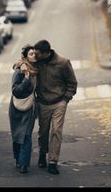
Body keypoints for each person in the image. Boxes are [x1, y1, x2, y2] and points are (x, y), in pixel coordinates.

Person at [34, 39, 77, 175]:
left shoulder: (63, 63)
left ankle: (53, 162)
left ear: (46, 53)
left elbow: (72, 83)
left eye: (37, 54)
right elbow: (21, 62)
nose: (35, 56)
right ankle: (42, 153)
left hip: (59, 102)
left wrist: (66, 99)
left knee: (56, 131)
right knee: (43, 132)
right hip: (42, 102)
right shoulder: (36, 62)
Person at [9, 45, 38, 174]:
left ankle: (23, 164)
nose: (34, 56)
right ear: (26, 56)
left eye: (35, 54)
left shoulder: (37, 70)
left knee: (26, 135)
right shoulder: (20, 71)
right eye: (31, 54)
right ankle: (18, 159)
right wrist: (26, 79)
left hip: (30, 108)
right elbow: (15, 91)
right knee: (17, 135)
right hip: (16, 108)